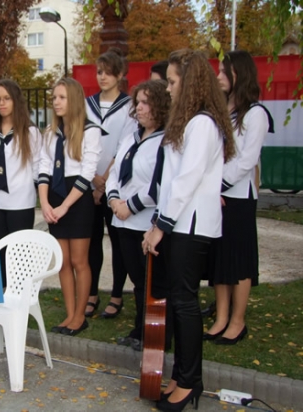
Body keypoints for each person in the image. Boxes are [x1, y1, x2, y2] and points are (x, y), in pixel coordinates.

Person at [142, 49, 235, 411]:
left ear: (190, 82)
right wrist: (157, 223)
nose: (168, 88)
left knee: (184, 303)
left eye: (173, 81)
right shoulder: (189, 122)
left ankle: (191, 380)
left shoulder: (203, 124)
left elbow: (188, 180)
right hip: (177, 223)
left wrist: (161, 227)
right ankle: (181, 376)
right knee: (179, 303)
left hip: (190, 226)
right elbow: (169, 181)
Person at [205, 50, 274, 345]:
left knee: (240, 258)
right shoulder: (219, 111)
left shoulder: (255, 114)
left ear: (238, 74)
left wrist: (218, 184)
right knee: (220, 257)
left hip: (238, 197)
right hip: (216, 195)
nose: (218, 76)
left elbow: (247, 160)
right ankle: (221, 317)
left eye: (224, 71)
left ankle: (237, 320)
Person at [105, 80, 170, 351]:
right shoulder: (131, 137)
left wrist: (129, 206)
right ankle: (141, 329)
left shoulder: (166, 140)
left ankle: (156, 334)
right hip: (122, 221)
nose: (139, 108)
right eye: (138, 102)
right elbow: (115, 173)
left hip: (145, 222)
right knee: (137, 281)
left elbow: (158, 185)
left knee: (151, 282)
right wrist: (113, 200)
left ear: (160, 106)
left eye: (146, 103)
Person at [38, 77, 101, 336]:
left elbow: (88, 173)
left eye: (62, 97)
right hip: (54, 196)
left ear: (74, 99)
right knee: (62, 262)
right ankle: (70, 314)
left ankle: (80, 317)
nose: (56, 102)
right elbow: (43, 168)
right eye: (54, 97)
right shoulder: (50, 132)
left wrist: (65, 206)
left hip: (77, 199)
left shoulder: (90, 130)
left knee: (78, 260)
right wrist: (44, 203)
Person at [85, 49, 138, 319]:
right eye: (99, 72)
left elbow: (124, 147)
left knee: (118, 243)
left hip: (115, 186)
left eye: (108, 72)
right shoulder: (87, 104)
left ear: (120, 75)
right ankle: (92, 293)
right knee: (92, 241)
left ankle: (117, 294)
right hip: (88, 183)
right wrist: (93, 180)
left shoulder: (130, 107)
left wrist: (104, 183)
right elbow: (81, 142)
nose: (102, 77)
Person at [0, 79, 42, 240]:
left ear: (16, 100)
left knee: (19, 251)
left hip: (20, 201)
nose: (2, 103)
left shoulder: (30, 132)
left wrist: (29, 186)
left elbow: (37, 165)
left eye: (7, 98)